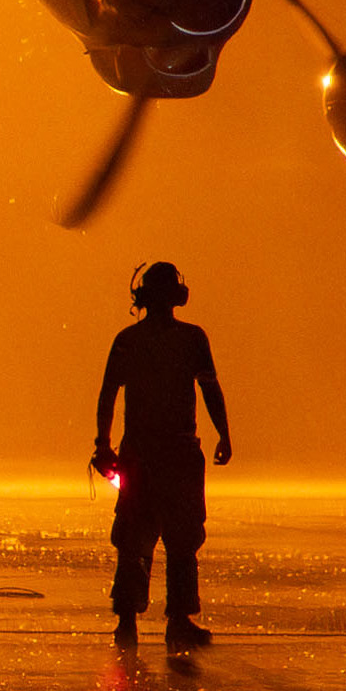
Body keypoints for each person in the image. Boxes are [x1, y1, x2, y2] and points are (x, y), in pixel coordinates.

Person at [94, 260, 231, 646]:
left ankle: (128, 621)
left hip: (141, 454)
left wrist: (103, 445)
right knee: (182, 541)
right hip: (176, 453)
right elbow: (210, 390)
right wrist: (224, 434)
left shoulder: (128, 340)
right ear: (176, 295)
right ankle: (177, 620)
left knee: (135, 539)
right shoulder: (192, 339)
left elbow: (108, 395)